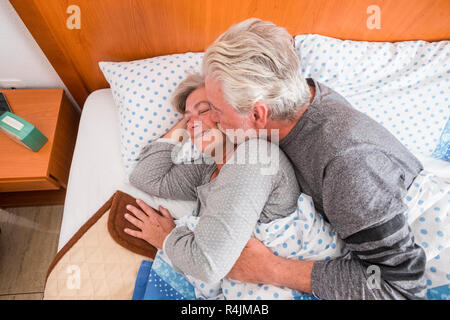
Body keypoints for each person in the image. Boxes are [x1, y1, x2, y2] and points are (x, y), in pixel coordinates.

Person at [200, 18, 427, 300]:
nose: (212, 119)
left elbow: (401, 289)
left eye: (217, 109)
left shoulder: (349, 166)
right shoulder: (300, 94)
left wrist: (271, 269)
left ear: (258, 114)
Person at [126, 74, 347, 299]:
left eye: (204, 110)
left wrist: (165, 238)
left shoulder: (256, 157)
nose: (192, 123)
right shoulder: (208, 170)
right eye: (187, 119)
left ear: (229, 112)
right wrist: (190, 122)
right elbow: (147, 176)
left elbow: (208, 265)